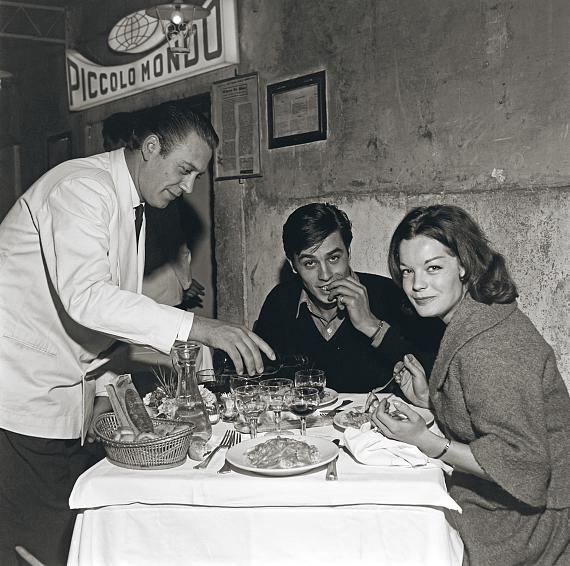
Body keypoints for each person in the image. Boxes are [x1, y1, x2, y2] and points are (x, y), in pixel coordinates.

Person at [0, 100, 274, 566]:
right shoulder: (81, 188)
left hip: (64, 396)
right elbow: (86, 297)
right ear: (150, 147)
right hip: (20, 395)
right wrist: (198, 326)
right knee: (48, 546)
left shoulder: (129, 200)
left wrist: (115, 389)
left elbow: (107, 316)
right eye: (184, 169)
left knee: (83, 535)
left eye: (196, 177)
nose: (188, 187)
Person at [370, 204, 570, 565]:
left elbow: (523, 465)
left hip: (528, 522)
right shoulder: (475, 316)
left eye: (433, 268)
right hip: (507, 501)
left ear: (463, 265)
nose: (417, 285)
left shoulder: (490, 348)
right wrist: (432, 401)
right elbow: (489, 416)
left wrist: (425, 440)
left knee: (395, 535)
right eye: (407, 272)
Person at [254, 202, 444, 393]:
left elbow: (438, 379)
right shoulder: (280, 302)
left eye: (333, 258)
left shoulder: (391, 295)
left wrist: (371, 325)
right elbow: (261, 381)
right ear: (293, 266)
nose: (325, 275)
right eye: (310, 263)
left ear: (348, 252)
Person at [103, 110, 205, 309]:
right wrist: (185, 281)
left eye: (109, 144)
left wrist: (185, 282)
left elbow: (173, 237)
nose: (108, 150)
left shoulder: (157, 189)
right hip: (134, 295)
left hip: (156, 290)